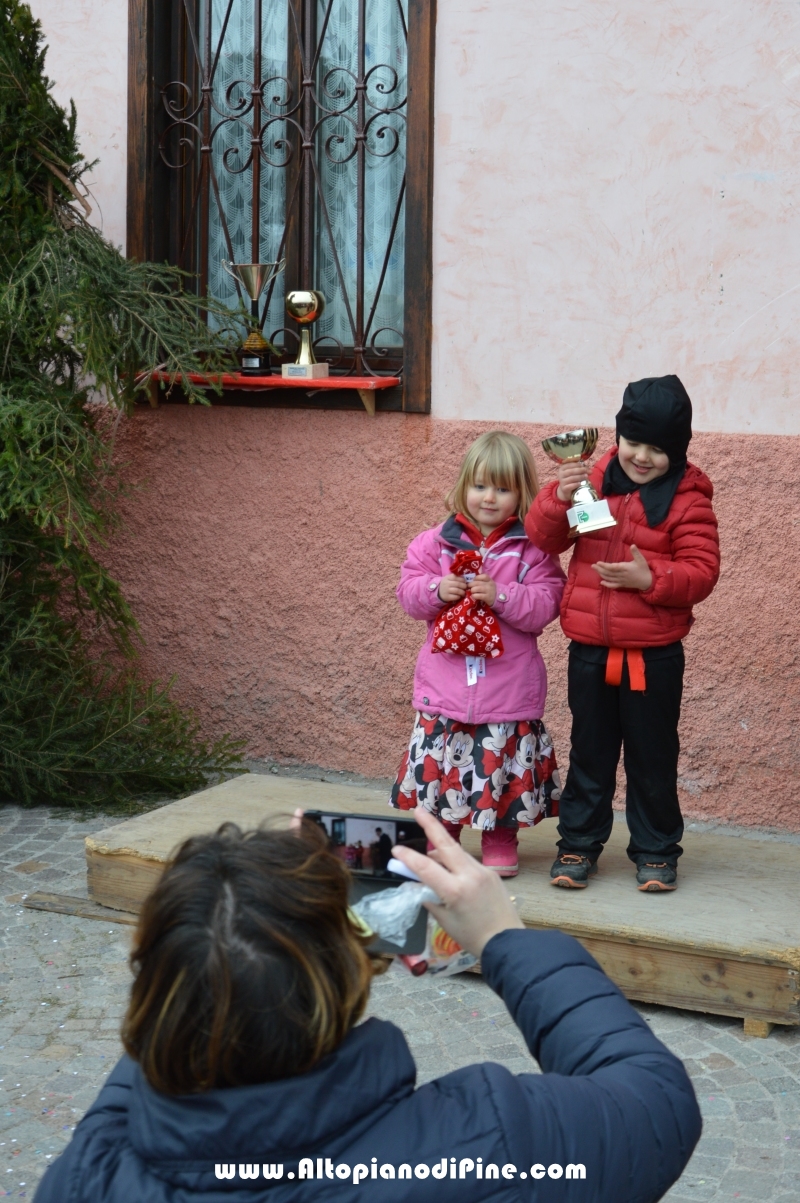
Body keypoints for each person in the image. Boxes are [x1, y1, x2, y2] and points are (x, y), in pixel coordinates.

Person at [34, 808, 701, 1203]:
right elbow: (655, 1100)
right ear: (344, 983)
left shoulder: (89, 1172)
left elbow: (169, 1028)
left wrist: (235, 929)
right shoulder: (485, 1144)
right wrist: (501, 938)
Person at [525, 376, 720, 892]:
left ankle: (656, 850)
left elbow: (702, 572)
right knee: (591, 751)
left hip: (653, 657)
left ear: (676, 451)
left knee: (652, 756)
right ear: (619, 437)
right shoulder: (596, 479)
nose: (642, 457)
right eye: (634, 443)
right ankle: (578, 846)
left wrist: (650, 579)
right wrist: (556, 497)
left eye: (657, 449)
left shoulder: (688, 500)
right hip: (589, 648)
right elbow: (547, 538)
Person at [390, 431, 566, 877]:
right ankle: (443, 834)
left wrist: (503, 595)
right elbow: (408, 594)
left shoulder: (534, 550)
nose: (490, 498)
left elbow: (547, 604)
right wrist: (436, 589)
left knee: (500, 765)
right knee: (446, 765)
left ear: (522, 493)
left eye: (503, 489)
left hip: (507, 689)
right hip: (445, 687)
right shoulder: (434, 544)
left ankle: (501, 836)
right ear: (464, 485)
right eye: (481, 485)